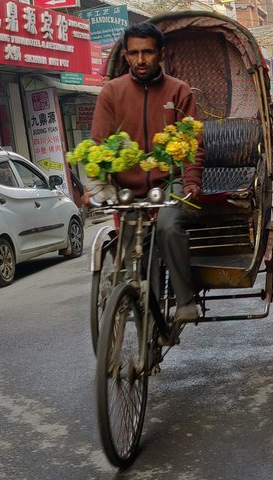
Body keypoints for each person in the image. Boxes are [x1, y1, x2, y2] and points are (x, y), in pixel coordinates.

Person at [90, 22, 204, 323]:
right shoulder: (111, 93)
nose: (141, 60)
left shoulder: (178, 91)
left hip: (170, 182)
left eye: (148, 53)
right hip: (127, 189)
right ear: (126, 56)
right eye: (134, 53)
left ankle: (184, 300)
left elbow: (193, 145)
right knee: (131, 253)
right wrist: (98, 185)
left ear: (161, 54)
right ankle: (143, 317)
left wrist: (191, 181)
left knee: (167, 226)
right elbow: (98, 145)